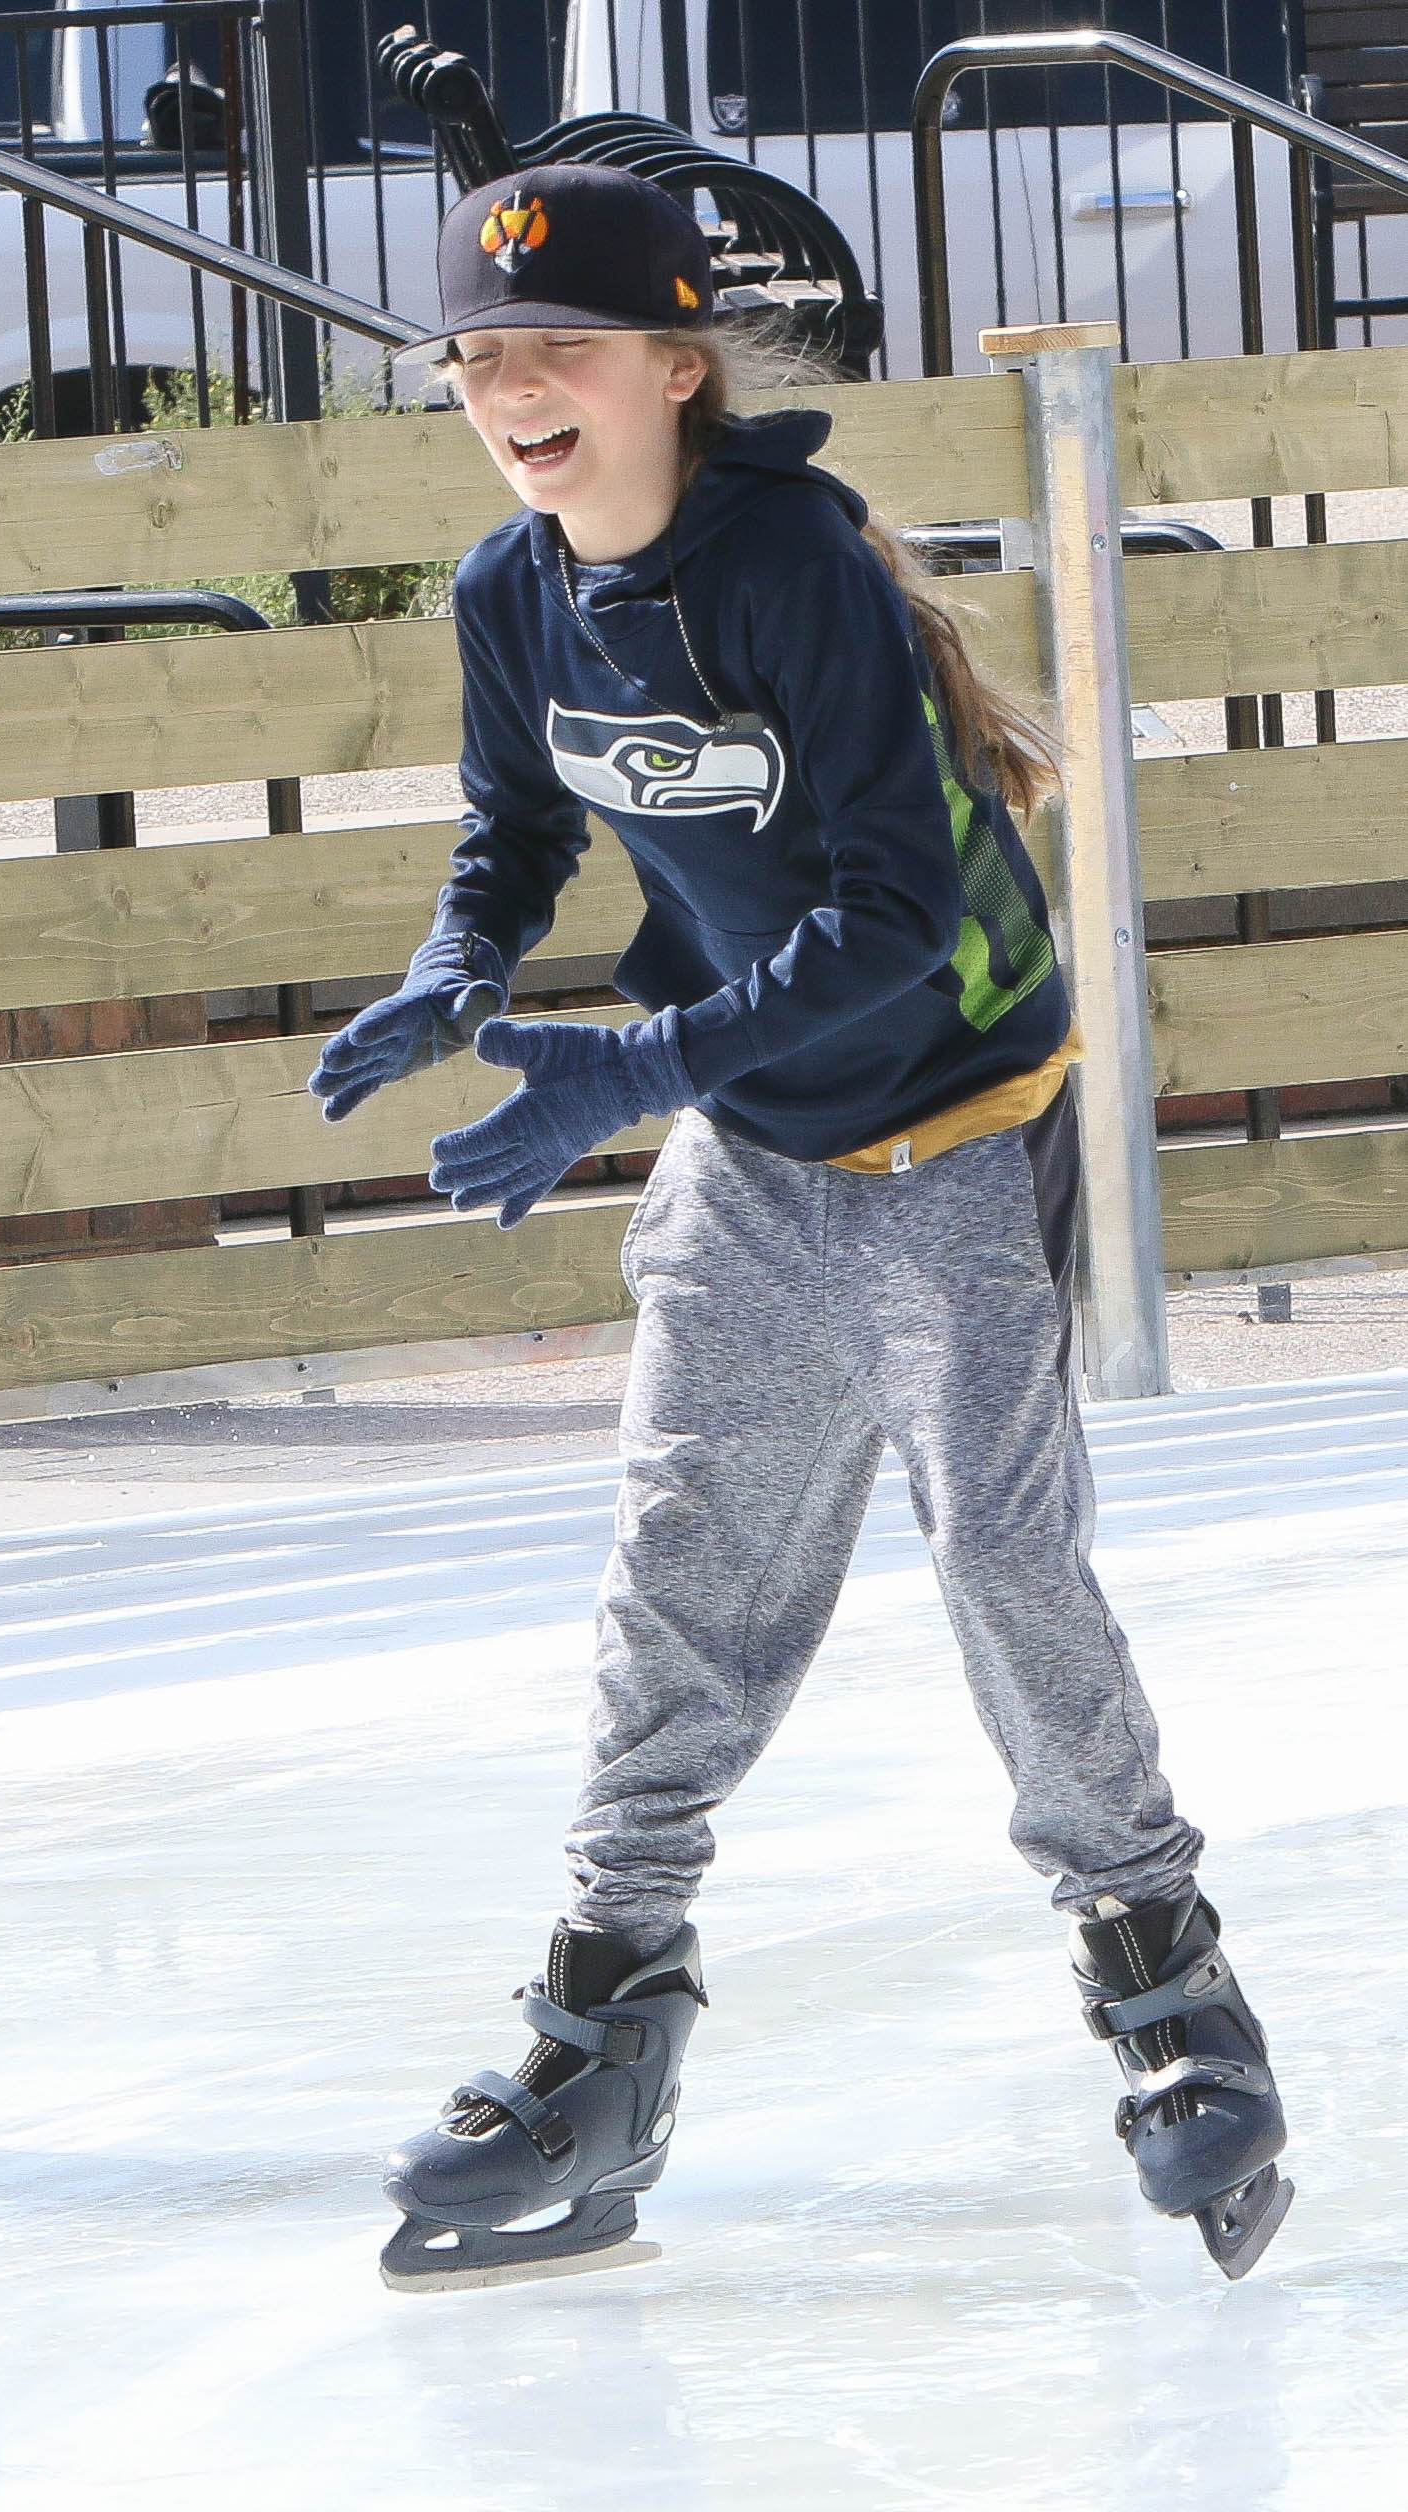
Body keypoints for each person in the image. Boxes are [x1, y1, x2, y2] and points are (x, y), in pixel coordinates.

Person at [308, 161, 1291, 2292]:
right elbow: (513, 825)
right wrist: (465, 972)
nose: (510, 388)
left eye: (555, 347)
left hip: (950, 1121)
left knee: (1005, 1564)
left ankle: (1164, 1993)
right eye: (478, 357)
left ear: (675, 368)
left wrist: (619, 1065)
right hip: (747, 1156)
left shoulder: (786, 568)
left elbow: (897, 920)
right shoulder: (507, 589)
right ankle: (600, 2029)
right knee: (679, 1590)